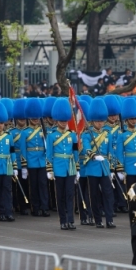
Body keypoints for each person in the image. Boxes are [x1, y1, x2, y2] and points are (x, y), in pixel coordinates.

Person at [46, 98, 78, 230]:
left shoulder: (72, 135)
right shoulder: (51, 135)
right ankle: (62, 220)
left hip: (70, 167)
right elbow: (49, 153)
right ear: (57, 120)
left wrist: (77, 168)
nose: (64, 123)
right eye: (62, 120)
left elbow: (75, 152)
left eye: (65, 120)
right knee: (60, 195)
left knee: (70, 194)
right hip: (58, 167)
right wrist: (49, 169)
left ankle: (70, 220)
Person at [83, 98, 115, 229]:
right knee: (94, 195)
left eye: (101, 120)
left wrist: (111, 167)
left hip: (105, 167)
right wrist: (94, 155)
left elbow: (111, 151)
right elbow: (86, 148)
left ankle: (109, 219)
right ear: (92, 120)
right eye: (97, 121)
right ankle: (97, 220)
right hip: (93, 167)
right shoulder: (87, 134)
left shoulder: (107, 134)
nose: (100, 123)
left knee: (108, 194)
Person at [21, 99, 50, 217]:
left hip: (42, 161)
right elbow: (23, 150)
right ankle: (35, 207)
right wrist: (24, 165)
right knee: (33, 185)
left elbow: (47, 147)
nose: (35, 120)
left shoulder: (44, 130)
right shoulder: (25, 132)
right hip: (31, 161)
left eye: (37, 118)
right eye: (33, 118)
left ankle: (45, 207)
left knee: (43, 185)